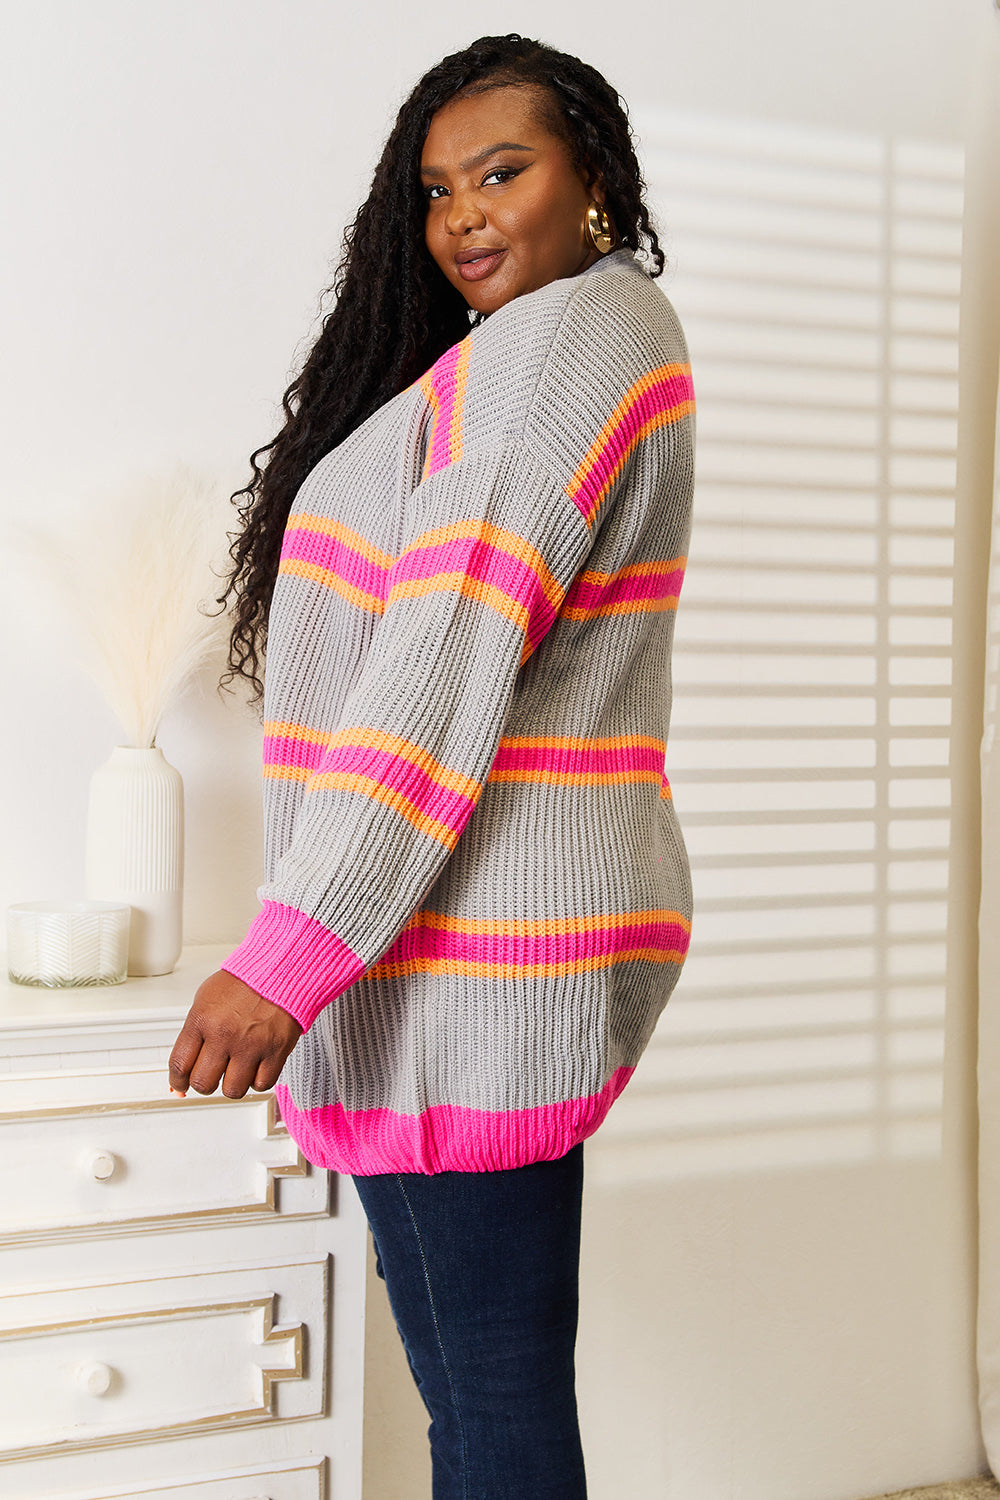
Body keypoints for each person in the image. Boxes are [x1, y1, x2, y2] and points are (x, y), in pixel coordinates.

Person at [168, 33, 695, 1499]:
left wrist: (288, 953)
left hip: (483, 964)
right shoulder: (506, 359)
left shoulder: (576, 339)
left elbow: (444, 652)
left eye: (503, 171)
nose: (463, 213)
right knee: (475, 1409)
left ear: (593, 177)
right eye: (436, 189)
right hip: (439, 962)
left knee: (498, 1412)